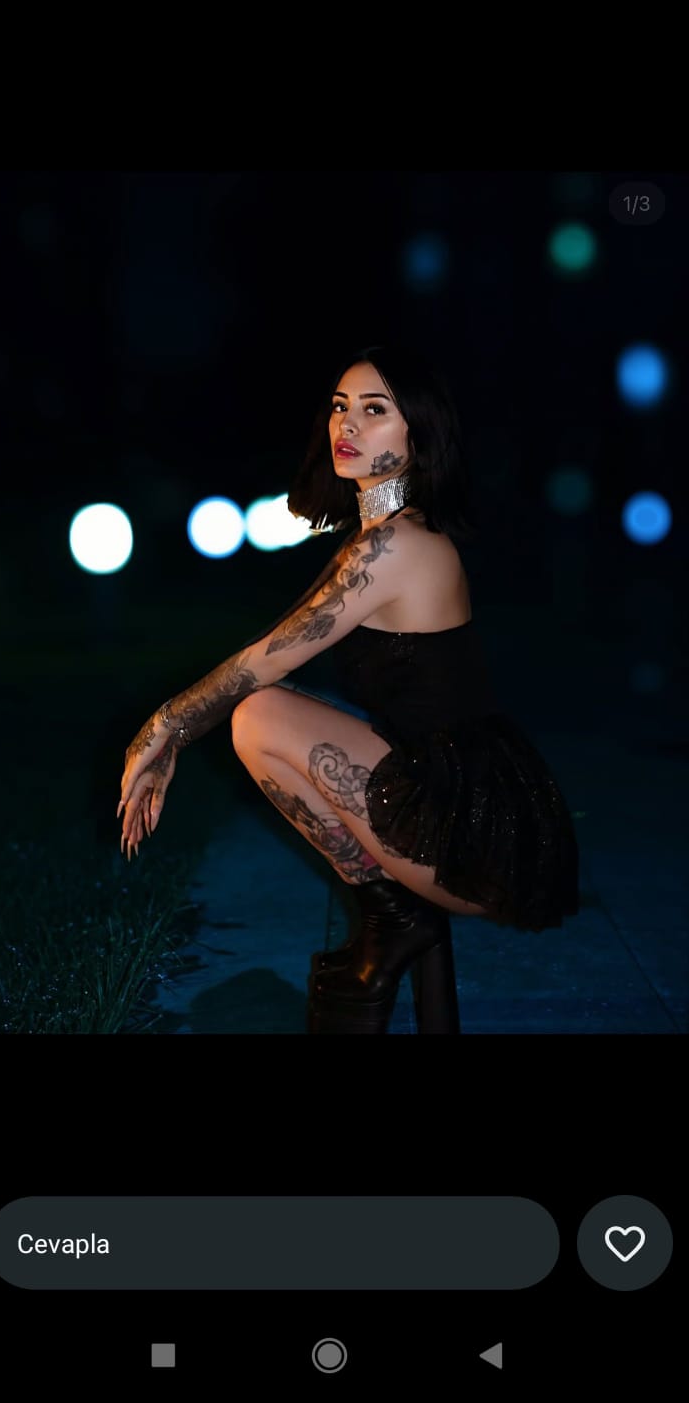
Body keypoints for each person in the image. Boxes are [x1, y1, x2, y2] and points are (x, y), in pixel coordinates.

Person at [117, 342, 579, 1033]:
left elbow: (265, 661)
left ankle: (393, 922)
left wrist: (163, 730)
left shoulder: (396, 546)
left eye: (375, 409)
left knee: (260, 715)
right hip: (455, 792)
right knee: (275, 715)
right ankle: (393, 919)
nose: (348, 424)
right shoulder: (383, 535)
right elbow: (284, 648)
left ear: (419, 434)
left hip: (470, 826)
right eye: (340, 407)